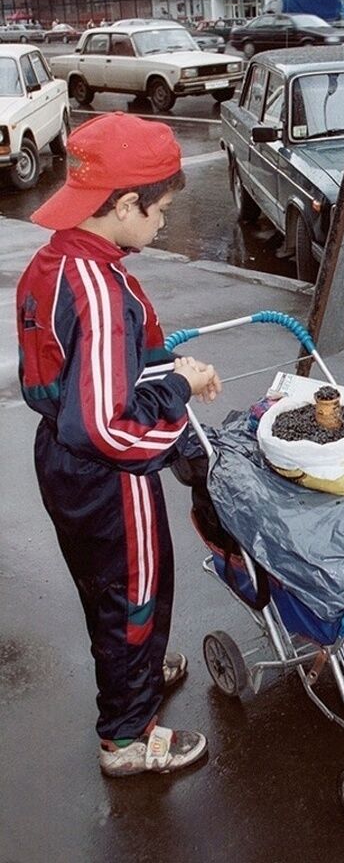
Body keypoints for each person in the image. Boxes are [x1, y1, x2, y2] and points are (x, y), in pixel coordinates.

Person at [16, 112, 222, 777]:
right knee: (137, 592)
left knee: (108, 587)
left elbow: (72, 383)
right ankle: (129, 737)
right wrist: (179, 392)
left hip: (66, 468)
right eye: (159, 211)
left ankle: (135, 672)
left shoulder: (56, 262)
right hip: (111, 477)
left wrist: (168, 372)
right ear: (127, 204)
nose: (162, 224)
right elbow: (108, 426)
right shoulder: (101, 292)